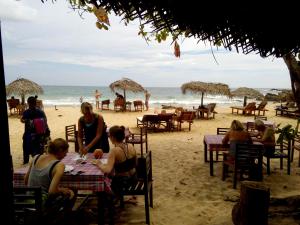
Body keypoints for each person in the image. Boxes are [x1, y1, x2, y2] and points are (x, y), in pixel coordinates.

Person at [24, 138, 75, 209]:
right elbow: (52, 192)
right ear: (60, 150)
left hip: (27, 200)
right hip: (42, 205)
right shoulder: (59, 165)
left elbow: (26, 180)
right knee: (71, 192)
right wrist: (64, 190)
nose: (65, 156)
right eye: (65, 153)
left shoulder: (36, 157)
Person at [92, 125, 137, 195]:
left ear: (113, 137)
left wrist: (99, 163)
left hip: (122, 183)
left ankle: (105, 202)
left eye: (109, 136)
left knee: (100, 182)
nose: (109, 137)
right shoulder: (130, 146)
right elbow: (136, 163)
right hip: (134, 179)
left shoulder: (114, 151)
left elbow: (107, 170)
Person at [21, 96, 50, 164]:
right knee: (38, 150)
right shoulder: (40, 112)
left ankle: (26, 162)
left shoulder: (26, 112)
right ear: (35, 103)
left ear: (28, 103)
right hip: (39, 134)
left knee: (26, 148)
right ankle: (38, 161)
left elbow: (22, 120)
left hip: (28, 134)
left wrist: (26, 121)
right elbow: (45, 122)